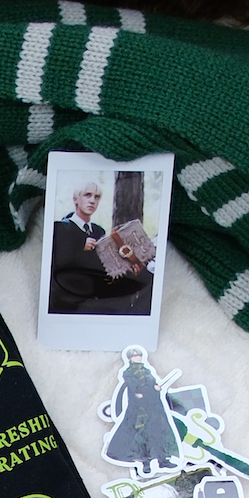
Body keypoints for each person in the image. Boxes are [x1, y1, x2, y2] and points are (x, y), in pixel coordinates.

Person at [48, 179, 153, 315]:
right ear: (75, 199)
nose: (92, 201)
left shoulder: (98, 231)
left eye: (96, 197)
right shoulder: (60, 228)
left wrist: (129, 263)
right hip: (72, 299)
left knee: (150, 279)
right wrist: (80, 246)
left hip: (100, 291)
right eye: (87, 195)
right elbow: (57, 264)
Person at [101, 348, 181, 475]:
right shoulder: (128, 373)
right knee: (142, 435)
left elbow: (152, 386)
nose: (138, 357)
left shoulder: (147, 371)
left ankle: (163, 460)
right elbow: (136, 392)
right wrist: (146, 392)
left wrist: (156, 388)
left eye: (139, 355)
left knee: (159, 432)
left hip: (154, 407)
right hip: (140, 409)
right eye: (135, 356)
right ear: (130, 358)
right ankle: (146, 463)